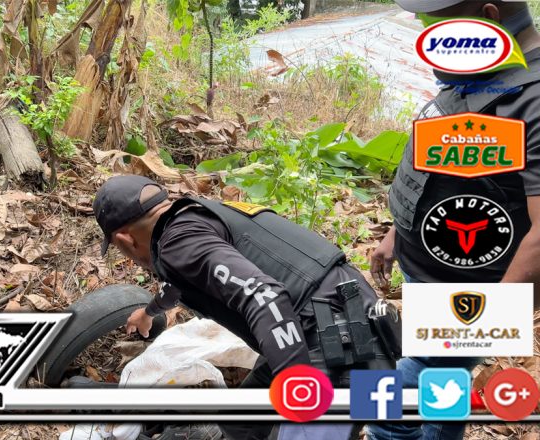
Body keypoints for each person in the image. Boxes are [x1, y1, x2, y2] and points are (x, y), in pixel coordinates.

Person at [93, 175, 398, 440]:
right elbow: (178, 285)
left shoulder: (178, 242)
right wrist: (148, 313)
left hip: (339, 344)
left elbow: (266, 296)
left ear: (125, 240)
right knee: (239, 424)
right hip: (337, 320)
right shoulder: (192, 217)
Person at [368, 1, 540, 439]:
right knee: (442, 387)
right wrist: (396, 234)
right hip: (427, 270)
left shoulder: (533, 101)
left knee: (387, 403)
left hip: (473, 296)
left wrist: (481, 326)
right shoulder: (478, 76)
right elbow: (442, 169)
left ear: (487, 18)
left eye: (437, 30)